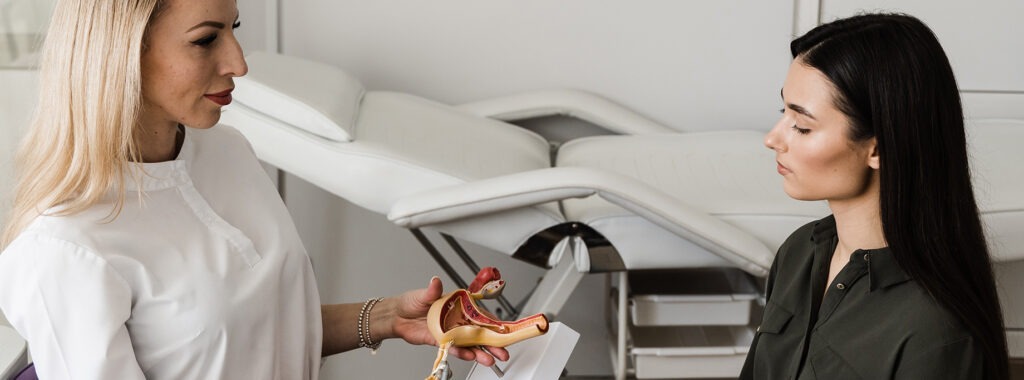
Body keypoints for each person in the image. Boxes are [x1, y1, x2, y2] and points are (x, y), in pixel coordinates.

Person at [0, 0, 507, 378]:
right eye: (206, 39)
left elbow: (258, 331)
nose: (239, 63)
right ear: (120, 53)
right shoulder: (65, 249)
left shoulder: (228, 151)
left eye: (234, 29)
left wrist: (389, 317)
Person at [740, 13, 1009, 379]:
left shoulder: (936, 336)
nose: (772, 139)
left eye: (801, 126)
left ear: (878, 149)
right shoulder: (799, 252)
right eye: (782, 111)